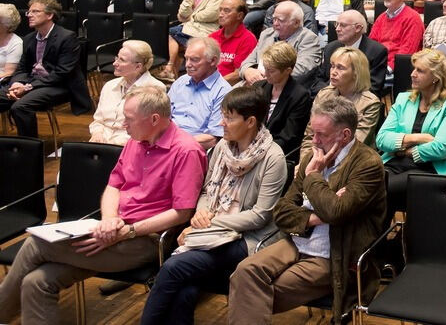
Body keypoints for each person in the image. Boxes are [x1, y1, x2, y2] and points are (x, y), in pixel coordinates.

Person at [0, 86, 206, 325]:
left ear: (154, 119)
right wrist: (109, 220)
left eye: (128, 119)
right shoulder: (136, 141)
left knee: (36, 244)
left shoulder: (187, 151)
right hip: (111, 230)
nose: (122, 124)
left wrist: (126, 231)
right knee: (36, 282)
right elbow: (114, 186)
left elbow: (182, 212)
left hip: (145, 240)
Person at [228, 92, 386, 322]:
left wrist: (313, 176)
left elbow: (335, 212)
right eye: (313, 133)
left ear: (345, 135)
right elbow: (281, 212)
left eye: (321, 135)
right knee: (244, 273)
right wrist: (316, 217)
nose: (314, 141)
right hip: (297, 240)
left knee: (251, 293)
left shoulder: (368, 164)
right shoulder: (314, 155)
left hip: (335, 253)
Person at [139, 86, 287, 325]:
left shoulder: (273, 157)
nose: (221, 123)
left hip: (246, 238)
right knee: (184, 289)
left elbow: (260, 216)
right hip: (212, 230)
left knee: (173, 268)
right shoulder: (222, 148)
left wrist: (210, 222)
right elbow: (207, 190)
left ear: (250, 121)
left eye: (229, 117)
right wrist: (201, 214)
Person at [375, 48, 446, 212]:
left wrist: (403, 151)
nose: (412, 74)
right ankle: (379, 237)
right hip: (393, 164)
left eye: (420, 71)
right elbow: (381, 139)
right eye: (414, 68)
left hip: (429, 169)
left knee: (377, 191)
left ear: (436, 77)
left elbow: (442, 148)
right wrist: (419, 138)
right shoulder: (404, 99)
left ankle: (379, 237)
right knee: (368, 184)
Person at [0, 0, 91, 137]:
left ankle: (29, 150)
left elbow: (61, 73)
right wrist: (17, 83)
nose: (29, 15)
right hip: (33, 82)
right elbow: (22, 68)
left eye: (35, 11)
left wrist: (27, 87)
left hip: (59, 85)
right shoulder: (29, 38)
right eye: (29, 12)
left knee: (20, 107)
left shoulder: (67, 37)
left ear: (50, 15)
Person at [168, 37, 231, 149]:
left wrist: (175, 145)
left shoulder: (223, 92)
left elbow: (213, 138)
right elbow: (164, 116)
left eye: (194, 60)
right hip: (167, 141)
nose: (187, 64)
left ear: (212, 61)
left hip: (193, 149)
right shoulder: (181, 82)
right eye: (186, 59)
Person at [241, 1, 322, 85]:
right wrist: (248, 71)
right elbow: (248, 61)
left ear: (296, 23)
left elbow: (302, 69)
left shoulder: (308, 38)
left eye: (280, 20)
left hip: (285, 88)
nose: (275, 24)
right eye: (274, 19)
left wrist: (268, 75)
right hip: (255, 83)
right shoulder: (267, 34)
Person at [257, 42, 312, 160]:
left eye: (271, 71)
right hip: (253, 147)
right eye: (265, 69)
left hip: (277, 154)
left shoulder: (300, 96)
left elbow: (288, 137)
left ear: (287, 71)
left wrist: (259, 152)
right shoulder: (259, 88)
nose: (266, 74)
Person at [316, 9, 388, 97]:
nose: (337, 29)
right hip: (328, 100)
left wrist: (342, 92)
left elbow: (374, 88)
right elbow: (319, 80)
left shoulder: (376, 51)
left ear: (358, 28)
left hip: (357, 103)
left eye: (343, 25)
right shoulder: (330, 48)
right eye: (336, 24)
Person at [321, 47, 383, 145]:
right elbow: (310, 135)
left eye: (340, 68)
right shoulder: (323, 94)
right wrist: (307, 158)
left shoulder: (370, 103)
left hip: (354, 157)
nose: (333, 72)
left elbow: (356, 142)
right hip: (320, 152)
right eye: (332, 66)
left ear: (356, 73)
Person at [369, 0, 425, 73]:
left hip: (398, 69)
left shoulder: (412, 18)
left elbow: (407, 51)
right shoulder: (381, 18)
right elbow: (371, 45)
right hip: (377, 66)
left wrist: (388, 68)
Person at [209, 0, 258, 85]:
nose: (220, 15)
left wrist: (213, 84)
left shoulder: (248, 39)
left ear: (239, 16)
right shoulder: (212, 36)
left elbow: (238, 74)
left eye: (226, 11)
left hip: (228, 86)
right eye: (220, 10)